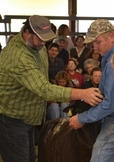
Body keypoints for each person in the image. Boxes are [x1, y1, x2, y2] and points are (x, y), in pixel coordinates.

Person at [0, 15, 103, 162]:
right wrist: (82, 93)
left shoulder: (36, 45)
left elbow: (41, 78)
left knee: (29, 158)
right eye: (39, 38)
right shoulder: (18, 56)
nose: (43, 43)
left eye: (45, 39)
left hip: (27, 116)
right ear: (27, 33)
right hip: (12, 119)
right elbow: (43, 89)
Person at [69, 19, 114, 162]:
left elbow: (110, 104)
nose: (94, 47)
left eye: (98, 42)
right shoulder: (112, 58)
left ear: (112, 37)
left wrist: (82, 118)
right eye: (93, 43)